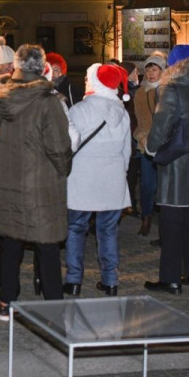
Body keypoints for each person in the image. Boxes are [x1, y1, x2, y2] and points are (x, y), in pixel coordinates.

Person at [0, 44, 72, 320]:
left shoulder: (1, 96)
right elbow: (59, 146)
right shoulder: (48, 100)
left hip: (9, 177)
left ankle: (6, 303)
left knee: (11, 243)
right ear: (41, 67)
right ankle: (53, 306)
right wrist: (63, 169)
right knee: (46, 245)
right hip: (41, 181)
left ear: (17, 66)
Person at [142, 45, 189, 294]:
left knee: (171, 225)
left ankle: (170, 278)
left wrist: (151, 148)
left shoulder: (171, 88)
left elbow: (161, 124)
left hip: (178, 168)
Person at [63, 64, 132, 296]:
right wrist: (121, 174)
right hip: (112, 179)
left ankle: (73, 280)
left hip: (82, 178)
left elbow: (68, 144)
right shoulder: (122, 113)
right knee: (108, 231)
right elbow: (126, 151)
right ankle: (111, 280)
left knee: (75, 228)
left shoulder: (79, 110)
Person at [132, 53, 167, 237]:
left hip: (164, 146)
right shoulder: (140, 92)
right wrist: (140, 136)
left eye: (154, 69)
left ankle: (165, 224)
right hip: (145, 146)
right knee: (147, 184)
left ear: (162, 71)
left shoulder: (166, 90)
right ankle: (146, 217)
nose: (150, 73)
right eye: (148, 69)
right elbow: (138, 121)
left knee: (164, 185)